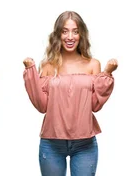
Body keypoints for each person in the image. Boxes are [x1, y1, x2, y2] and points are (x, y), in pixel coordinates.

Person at [23, 11, 118, 176]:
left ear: (81, 35)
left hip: (85, 143)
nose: (70, 36)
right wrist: (30, 71)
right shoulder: (47, 65)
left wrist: (107, 73)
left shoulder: (93, 64)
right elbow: (42, 106)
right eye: (65, 31)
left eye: (75, 31)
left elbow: (95, 105)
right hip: (51, 142)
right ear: (58, 34)